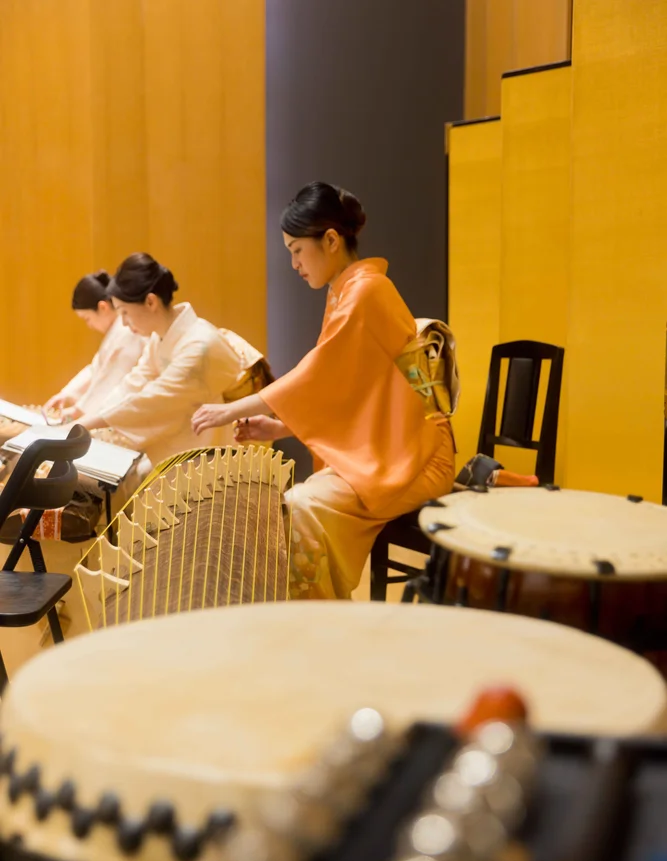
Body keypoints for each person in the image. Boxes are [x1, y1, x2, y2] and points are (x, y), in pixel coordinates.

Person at [191, 181, 456, 600]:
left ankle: (320, 623)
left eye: (297, 250)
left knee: (301, 506)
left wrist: (227, 410)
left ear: (331, 240)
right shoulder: (347, 291)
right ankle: (317, 615)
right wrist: (276, 429)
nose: (294, 263)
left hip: (419, 455)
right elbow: (343, 392)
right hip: (394, 444)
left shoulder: (365, 292)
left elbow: (315, 376)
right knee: (294, 504)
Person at [78, 253, 268, 466]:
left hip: (226, 448)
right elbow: (133, 383)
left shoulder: (200, 346)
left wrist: (85, 426)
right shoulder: (161, 337)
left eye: (125, 312)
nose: (123, 323)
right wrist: (86, 423)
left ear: (150, 302)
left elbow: (154, 400)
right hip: (193, 437)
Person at [44, 271, 144, 421]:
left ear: (103, 307)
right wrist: (67, 394)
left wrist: (80, 410)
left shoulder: (126, 331)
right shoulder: (117, 332)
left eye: (87, 319)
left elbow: (111, 379)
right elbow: (96, 369)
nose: (89, 326)